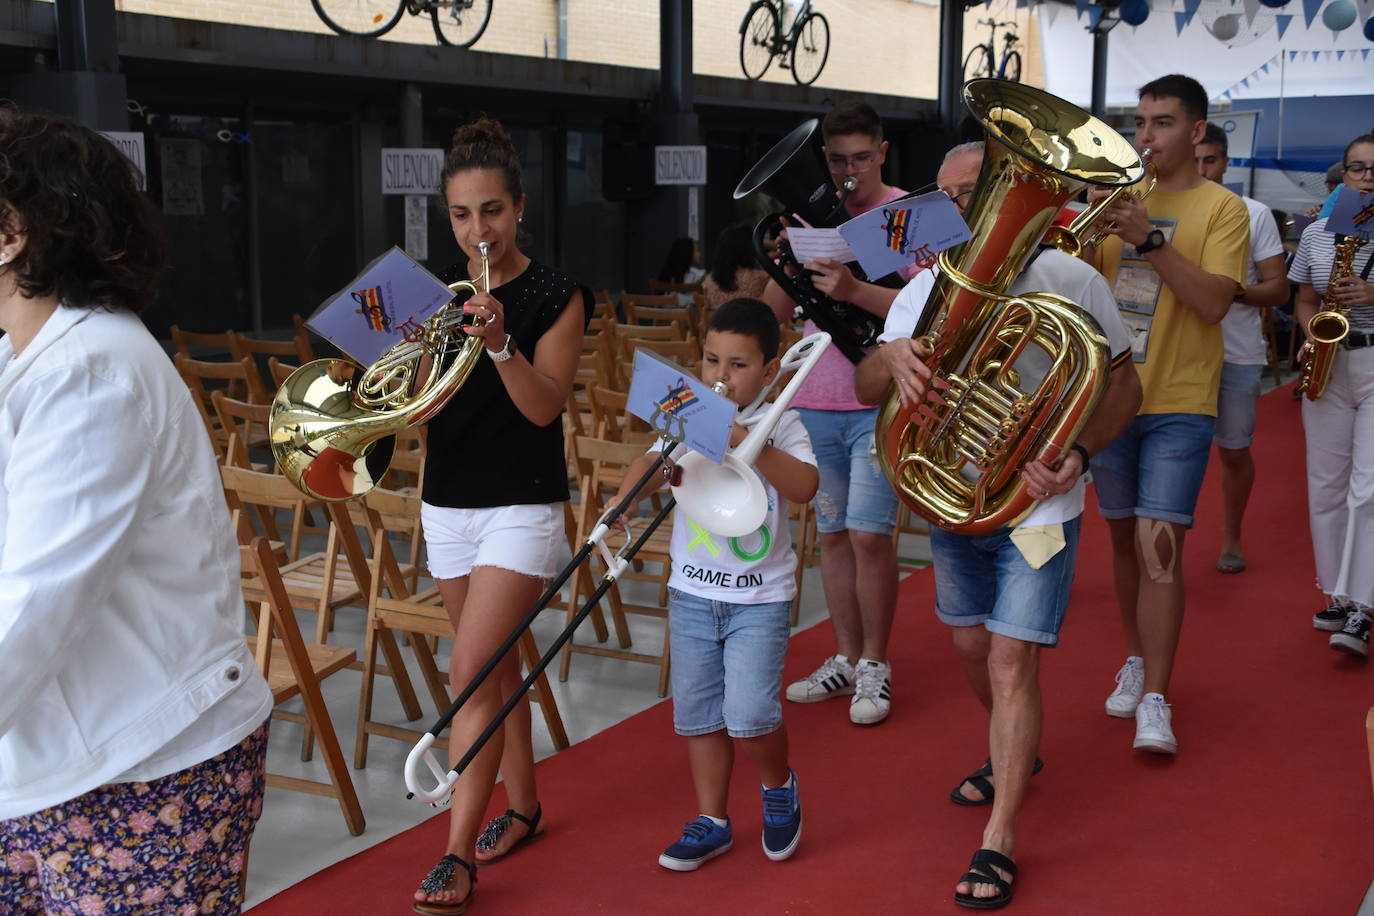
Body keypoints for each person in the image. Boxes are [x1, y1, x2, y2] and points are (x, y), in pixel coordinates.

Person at [854, 141, 1142, 908]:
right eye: (954, 195)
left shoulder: (1073, 280)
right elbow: (863, 384)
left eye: (985, 190)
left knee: (1013, 660)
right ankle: (1014, 750)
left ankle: (1000, 836)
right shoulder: (922, 293)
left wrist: (1079, 452)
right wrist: (895, 362)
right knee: (972, 645)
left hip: (1042, 508)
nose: (972, 209)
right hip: (958, 499)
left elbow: (1125, 387)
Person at [0, 111, 274, 912]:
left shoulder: (92, 372)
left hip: (145, 765)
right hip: (52, 757)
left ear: (12, 232)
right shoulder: (29, 356)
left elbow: (30, 609)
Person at [413, 117, 591, 915]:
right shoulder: (428, 292)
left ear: (519, 208)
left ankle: (455, 855)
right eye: (460, 215)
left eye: (490, 211)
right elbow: (421, 413)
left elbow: (543, 410)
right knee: (499, 668)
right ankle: (522, 806)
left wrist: (498, 345)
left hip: (521, 502)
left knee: (469, 677)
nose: (475, 230)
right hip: (445, 502)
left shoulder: (557, 294)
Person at [610, 298, 818, 872]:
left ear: (770, 372)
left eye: (738, 365)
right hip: (694, 592)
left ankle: (778, 786)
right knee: (698, 713)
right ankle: (713, 820)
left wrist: (746, 441)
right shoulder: (691, 412)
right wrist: (629, 499)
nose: (720, 377)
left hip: (759, 597)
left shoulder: (785, 422)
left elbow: (804, 487)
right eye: (711, 361)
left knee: (751, 713)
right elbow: (653, 461)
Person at [1085, 74, 1250, 755]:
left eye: (1160, 123)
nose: (1144, 136)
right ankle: (1135, 657)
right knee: (1123, 541)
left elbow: (1213, 302)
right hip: (1114, 398)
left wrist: (1150, 240)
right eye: (1140, 122)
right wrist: (1087, 228)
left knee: (1161, 546)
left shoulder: (1223, 209)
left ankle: (1156, 694)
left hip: (1181, 400)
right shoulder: (1124, 200)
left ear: (1197, 132)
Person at [766, 100, 916, 726]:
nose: (848, 173)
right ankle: (847, 657)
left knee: (869, 534)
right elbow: (775, 307)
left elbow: (929, 306)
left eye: (860, 158)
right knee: (831, 536)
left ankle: (877, 664)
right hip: (816, 399)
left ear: (882, 151)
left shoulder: (904, 214)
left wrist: (854, 290)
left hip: (878, 397)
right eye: (836, 161)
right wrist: (783, 259)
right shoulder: (810, 217)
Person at [1193, 122, 1290, 574]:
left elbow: (1279, 291)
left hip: (1236, 353)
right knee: (1170, 451)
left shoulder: (1252, 213)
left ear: (1226, 162)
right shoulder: (1157, 207)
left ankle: (1231, 536)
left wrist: (1225, 292)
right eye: (1196, 160)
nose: (1202, 168)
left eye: (1210, 160)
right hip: (1178, 355)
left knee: (1233, 451)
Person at [1290, 132, 1374, 652]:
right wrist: (1308, 335)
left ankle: (1364, 606)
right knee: (1324, 488)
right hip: (1329, 361)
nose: (1367, 177)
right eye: (1358, 168)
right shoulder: (1321, 232)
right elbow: (1302, 297)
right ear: (1343, 175)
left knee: (1367, 491)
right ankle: (1338, 595)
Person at [702, 223, 769, 312]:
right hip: (754, 325)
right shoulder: (762, 278)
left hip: (719, 325)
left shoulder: (709, 281)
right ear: (750, 249)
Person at [656, 236, 705, 306]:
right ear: (688, 253)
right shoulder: (698, 276)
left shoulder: (665, 275)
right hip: (690, 315)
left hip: (665, 314)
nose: (699, 254)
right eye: (697, 250)